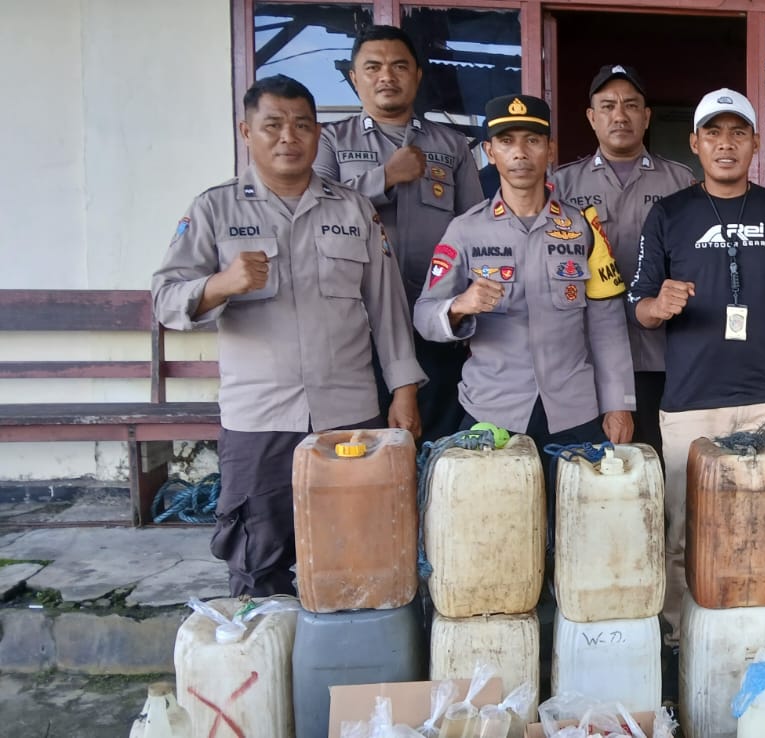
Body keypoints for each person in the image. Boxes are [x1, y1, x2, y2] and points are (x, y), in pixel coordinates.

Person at [153, 75, 426, 597]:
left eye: (301, 125)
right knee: (258, 562)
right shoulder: (214, 209)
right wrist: (220, 284)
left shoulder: (353, 209)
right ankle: (268, 668)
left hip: (348, 412)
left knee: (359, 556)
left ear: (317, 134)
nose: (288, 138)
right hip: (259, 419)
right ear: (246, 131)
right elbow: (165, 300)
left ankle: (349, 671)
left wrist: (405, 389)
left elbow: (388, 307)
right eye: (272, 125)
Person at [629, 88, 765, 646]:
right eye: (714, 132)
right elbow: (637, 304)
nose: (726, 144)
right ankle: (682, 641)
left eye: (738, 133)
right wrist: (656, 307)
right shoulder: (668, 214)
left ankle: (758, 635)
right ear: (694, 143)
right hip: (691, 400)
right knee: (686, 530)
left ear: (755, 144)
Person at [413, 93, 634, 505]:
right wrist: (458, 306)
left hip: (575, 411)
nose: (520, 153)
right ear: (490, 152)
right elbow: (425, 314)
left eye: (532, 140)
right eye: (507, 141)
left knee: (577, 531)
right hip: (492, 411)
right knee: (497, 534)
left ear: (549, 150)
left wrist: (618, 404)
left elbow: (607, 325)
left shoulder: (583, 227)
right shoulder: (465, 231)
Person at [314, 25, 484, 442]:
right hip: (360, 321)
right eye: (372, 67)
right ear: (355, 78)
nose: (386, 76)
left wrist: (471, 310)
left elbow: (476, 228)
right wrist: (383, 178)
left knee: (439, 437)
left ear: (417, 76)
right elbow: (312, 212)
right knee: (367, 443)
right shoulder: (330, 142)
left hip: (437, 318)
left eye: (398, 66)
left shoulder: (451, 144)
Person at [552, 64, 695, 454]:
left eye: (631, 105)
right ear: (591, 117)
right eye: (608, 105)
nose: (620, 115)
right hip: (586, 356)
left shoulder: (679, 182)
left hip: (661, 353)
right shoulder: (561, 185)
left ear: (647, 117)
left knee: (656, 466)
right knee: (590, 469)